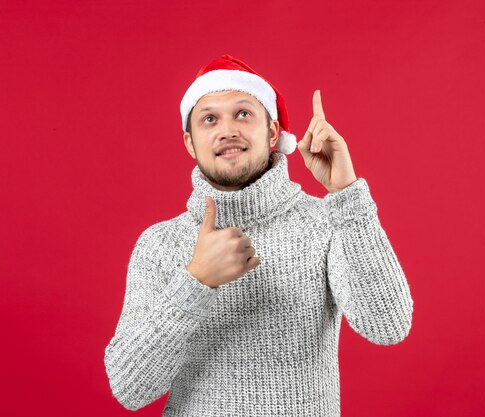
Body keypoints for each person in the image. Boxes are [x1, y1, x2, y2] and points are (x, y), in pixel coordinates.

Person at [104, 54, 414, 416]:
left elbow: (388, 324)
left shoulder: (324, 223)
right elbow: (130, 388)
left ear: (272, 132)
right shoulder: (160, 244)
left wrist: (346, 195)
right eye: (209, 119)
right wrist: (197, 281)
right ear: (190, 143)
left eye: (243, 113)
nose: (227, 130)